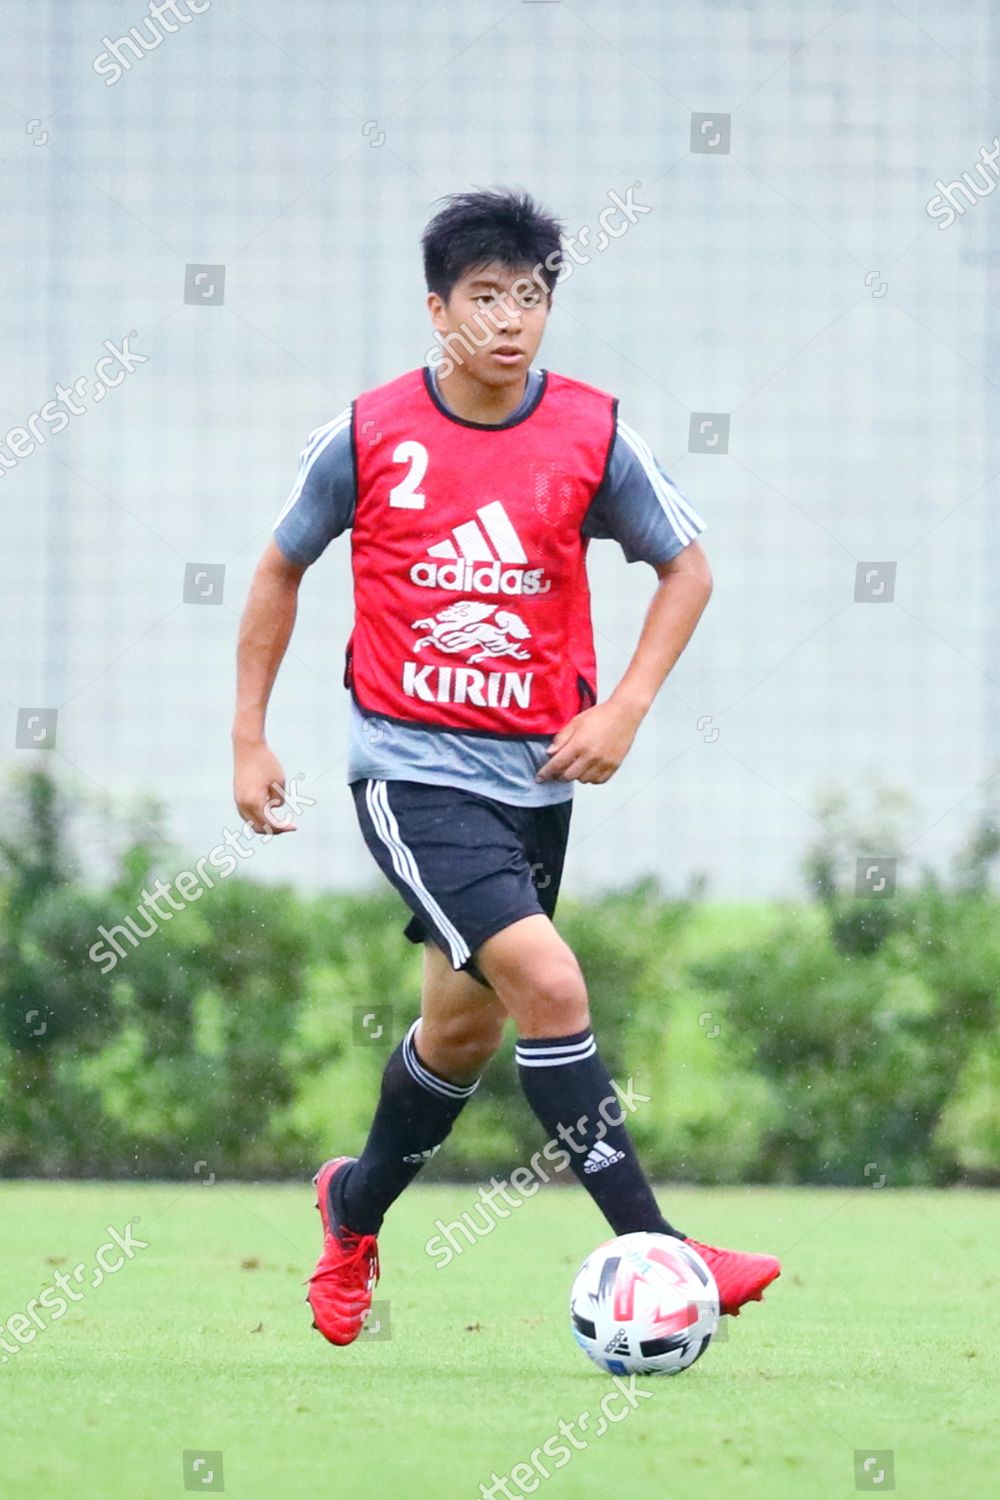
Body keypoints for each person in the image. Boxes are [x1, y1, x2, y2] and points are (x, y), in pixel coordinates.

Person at [232, 189, 780, 1348]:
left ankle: (352, 1204)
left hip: (533, 781)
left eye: (530, 296)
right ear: (437, 309)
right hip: (410, 774)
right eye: (484, 297)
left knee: (464, 1034)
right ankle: (665, 1250)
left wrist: (623, 708)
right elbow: (278, 570)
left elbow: (687, 569)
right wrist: (250, 735)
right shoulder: (371, 433)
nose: (509, 320)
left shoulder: (591, 432)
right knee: (552, 988)